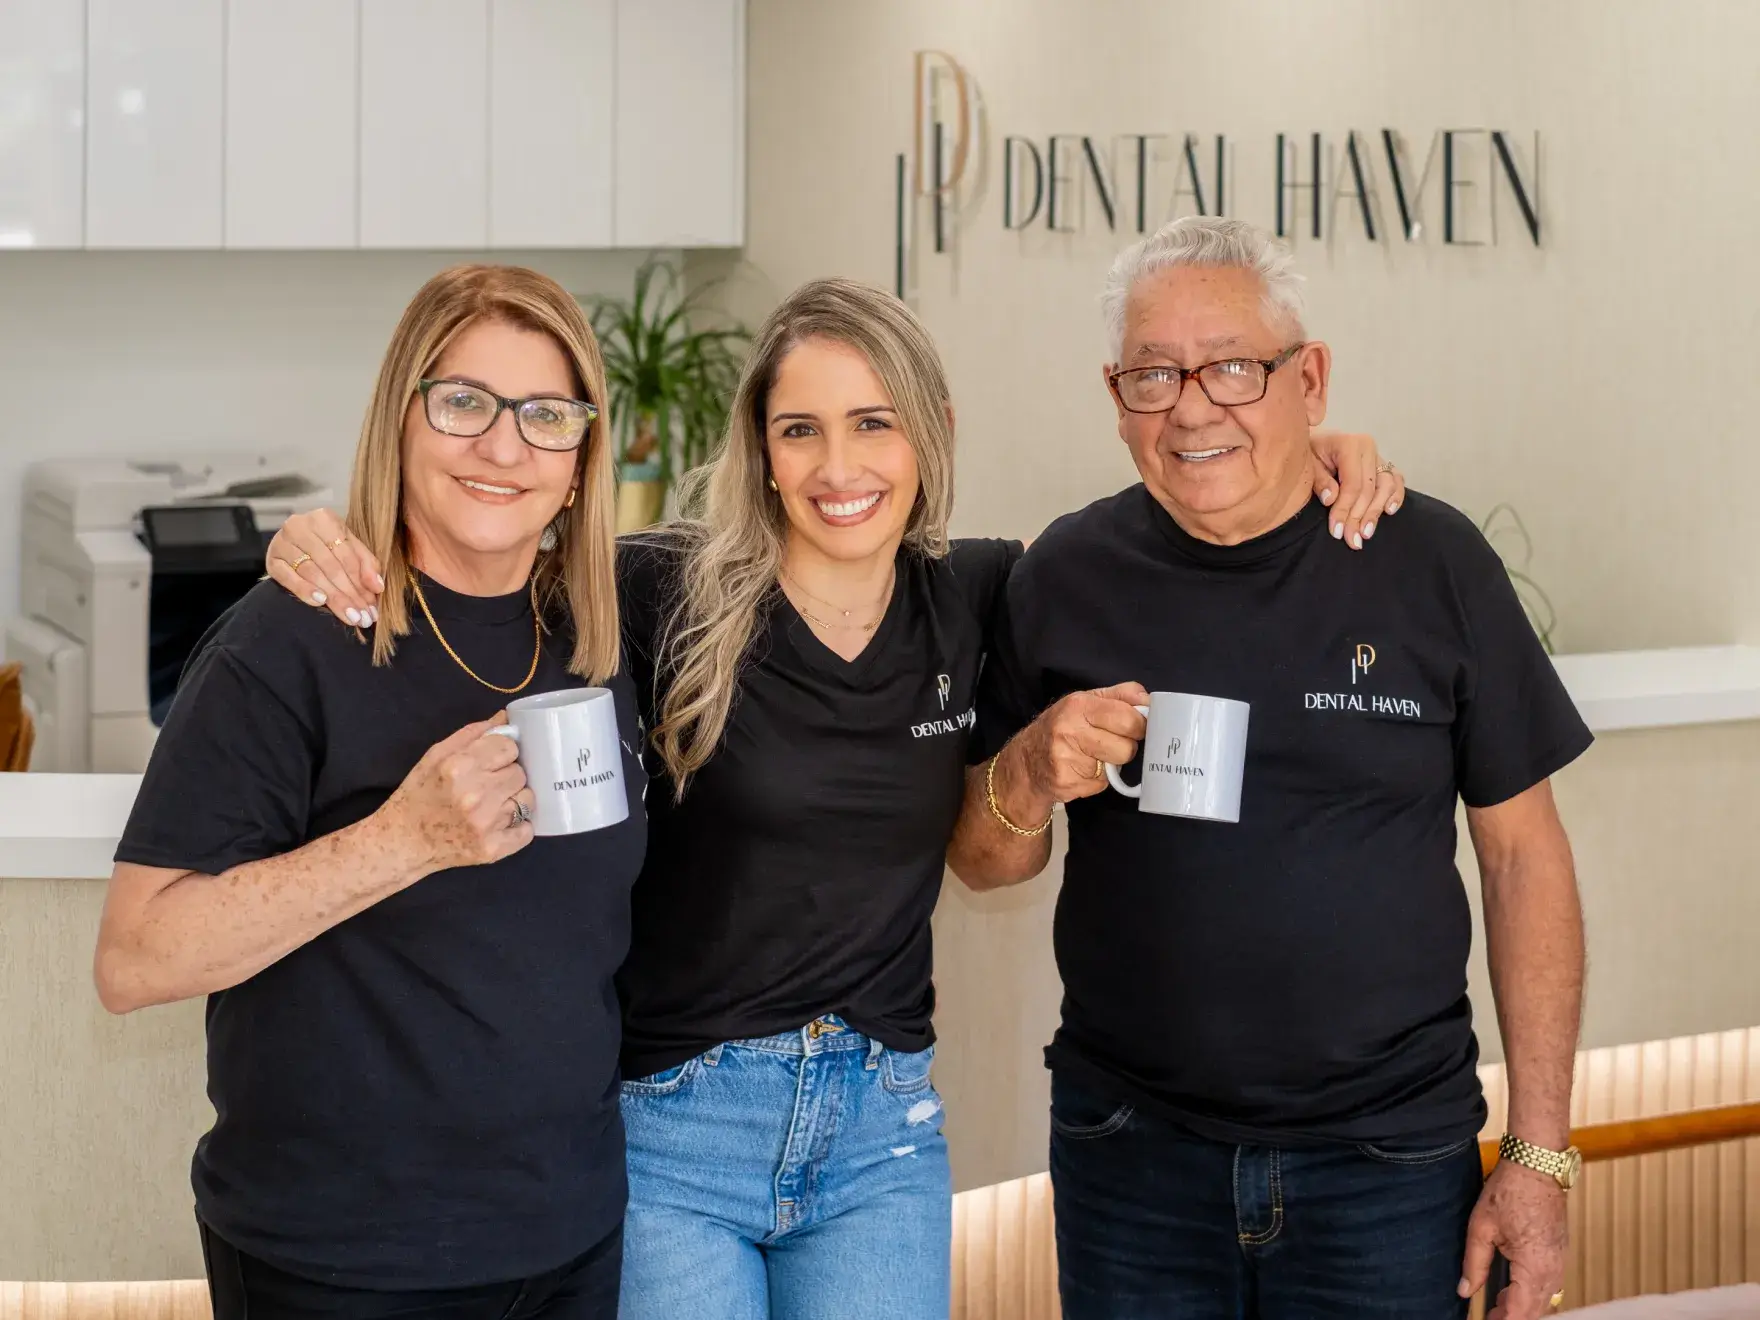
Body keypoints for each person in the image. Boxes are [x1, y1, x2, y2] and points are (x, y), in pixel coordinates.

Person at [265, 278, 1402, 1320]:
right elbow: (482, 528)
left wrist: (1320, 456)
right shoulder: (658, 591)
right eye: (798, 430)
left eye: (872, 424)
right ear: (761, 451)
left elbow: (1170, 535)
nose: (835, 466)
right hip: (673, 1133)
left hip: (878, 1137)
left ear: (929, 433)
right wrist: (323, 534)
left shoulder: (983, 593)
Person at [949, 216, 1591, 1320]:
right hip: (1129, 1156)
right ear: (1116, 399)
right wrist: (1024, 771)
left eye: (1233, 368)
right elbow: (984, 864)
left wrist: (1538, 1155)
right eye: (1152, 374)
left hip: (1386, 1166)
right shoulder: (1061, 574)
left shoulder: (1426, 563)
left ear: (1310, 380)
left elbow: (1522, 857)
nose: (1192, 406)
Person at [94, 265, 646, 1320]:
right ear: (402, 421)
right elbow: (134, 958)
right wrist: (404, 839)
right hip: (343, 1263)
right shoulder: (289, 641)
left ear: (579, 464)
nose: (502, 446)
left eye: (546, 416)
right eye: (462, 403)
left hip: (570, 1237)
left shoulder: (610, 632)